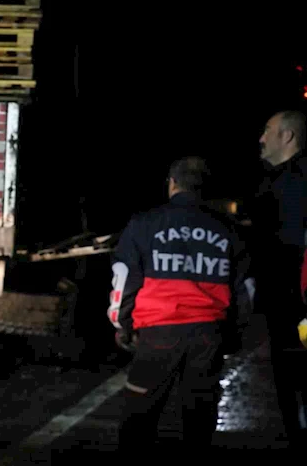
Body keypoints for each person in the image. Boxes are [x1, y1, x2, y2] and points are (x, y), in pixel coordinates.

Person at [107, 156, 252, 451]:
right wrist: (234, 335)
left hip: (158, 334)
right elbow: (246, 291)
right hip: (208, 336)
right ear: (204, 189)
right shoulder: (230, 230)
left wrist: (122, 324)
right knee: (198, 421)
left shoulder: (144, 224)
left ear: (172, 184)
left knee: (139, 420)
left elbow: (123, 278)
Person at [248, 109, 307, 445]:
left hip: (294, 300)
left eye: (267, 130)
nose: (261, 138)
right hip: (284, 299)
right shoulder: (273, 180)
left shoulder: (292, 180)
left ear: (287, 136)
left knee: (293, 378)